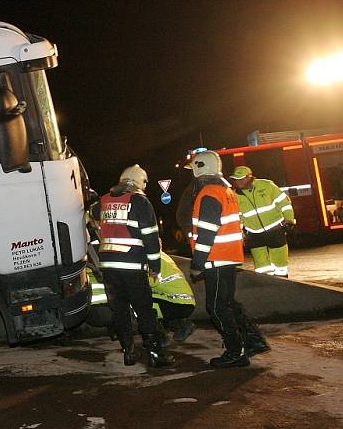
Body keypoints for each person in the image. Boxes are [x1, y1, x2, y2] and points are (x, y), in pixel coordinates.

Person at [188, 151, 270, 368]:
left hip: (215, 258)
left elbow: (206, 233)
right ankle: (254, 341)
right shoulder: (226, 191)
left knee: (216, 307)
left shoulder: (208, 194)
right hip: (229, 257)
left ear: (199, 170)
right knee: (228, 303)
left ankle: (235, 352)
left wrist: (197, 264)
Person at [89, 164, 172, 367]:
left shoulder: (104, 201)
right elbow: (151, 237)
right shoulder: (140, 202)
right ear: (140, 182)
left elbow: (92, 213)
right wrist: (155, 265)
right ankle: (155, 354)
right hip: (132, 266)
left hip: (108, 266)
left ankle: (128, 352)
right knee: (144, 309)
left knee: (120, 311)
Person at [228, 166, 295, 277]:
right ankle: (266, 286)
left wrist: (289, 220)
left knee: (280, 264)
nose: (238, 181)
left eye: (241, 178)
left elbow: (284, 203)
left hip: (275, 230)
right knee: (261, 267)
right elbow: (237, 217)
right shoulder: (234, 196)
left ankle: (282, 283)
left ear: (249, 177)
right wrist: (241, 234)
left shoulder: (267, 185)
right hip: (254, 235)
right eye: (236, 179)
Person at [151, 252, 196, 342]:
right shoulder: (161, 256)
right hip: (183, 303)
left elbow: (148, 282)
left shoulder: (151, 260)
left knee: (140, 301)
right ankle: (180, 324)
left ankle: (159, 339)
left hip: (176, 303)